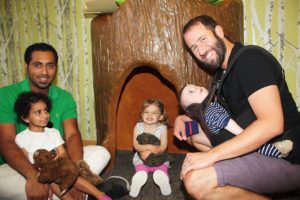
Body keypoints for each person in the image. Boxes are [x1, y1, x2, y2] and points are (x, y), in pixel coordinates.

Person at [173, 15, 300, 199]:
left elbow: (272, 124)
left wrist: (211, 157)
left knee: (195, 181)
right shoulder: (221, 76)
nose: (200, 51)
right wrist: (182, 119)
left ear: (218, 31)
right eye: (194, 47)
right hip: (255, 148)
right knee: (193, 136)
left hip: (284, 156)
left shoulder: (250, 60)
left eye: (202, 39)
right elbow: (215, 124)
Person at [0, 43, 129, 200]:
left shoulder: (65, 97)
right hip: (18, 166)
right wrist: (32, 176)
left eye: (50, 66)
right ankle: (93, 193)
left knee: (102, 153)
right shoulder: (5, 95)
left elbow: (72, 135)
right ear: (26, 67)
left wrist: (72, 175)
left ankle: (69, 191)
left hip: (58, 163)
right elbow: (6, 141)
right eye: (37, 65)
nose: (44, 72)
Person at [14, 91, 111, 200]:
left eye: (46, 110)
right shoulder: (21, 137)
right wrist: (41, 181)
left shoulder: (53, 132)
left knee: (73, 175)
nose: (45, 115)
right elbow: (26, 161)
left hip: (59, 167)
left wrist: (68, 169)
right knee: (53, 181)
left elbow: (63, 154)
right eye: (38, 112)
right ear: (25, 118)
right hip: (43, 173)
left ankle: (102, 196)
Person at [180, 83, 293, 158]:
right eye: (191, 92)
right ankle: (276, 152)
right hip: (232, 135)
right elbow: (228, 123)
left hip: (223, 141)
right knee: (256, 147)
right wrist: (244, 135)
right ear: (193, 107)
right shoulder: (210, 112)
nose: (196, 88)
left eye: (194, 86)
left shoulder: (209, 109)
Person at [129, 98, 171, 197]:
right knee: (140, 165)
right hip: (141, 156)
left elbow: (163, 146)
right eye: (146, 112)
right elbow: (136, 145)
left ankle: (163, 176)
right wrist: (149, 147)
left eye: (154, 113)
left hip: (158, 156)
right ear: (142, 114)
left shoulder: (162, 128)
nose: (149, 115)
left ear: (160, 116)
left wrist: (154, 151)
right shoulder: (138, 127)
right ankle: (140, 175)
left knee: (163, 164)